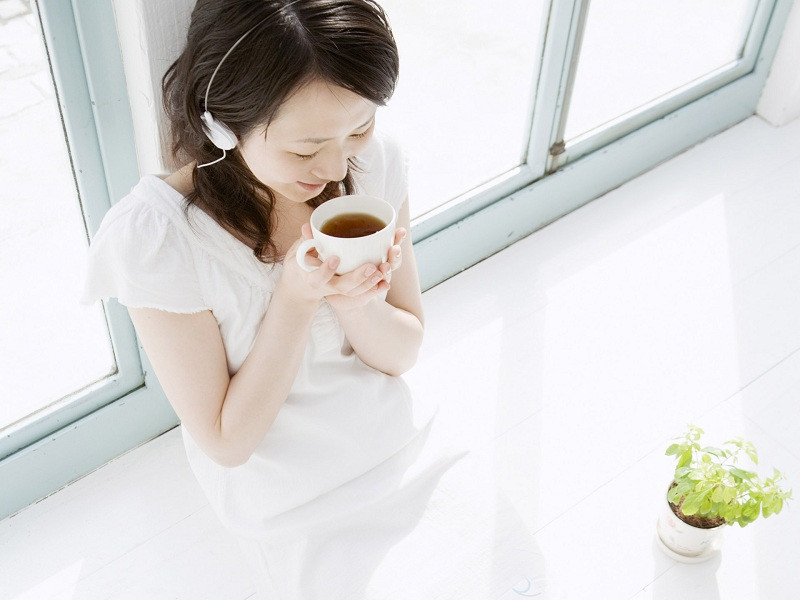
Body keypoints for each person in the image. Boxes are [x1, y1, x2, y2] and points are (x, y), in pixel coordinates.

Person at [84, 1, 540, 597]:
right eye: (305, 150)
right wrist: (296, 301)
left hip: (399, 443)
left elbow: (401, 355)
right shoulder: (159, 240)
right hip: (287, 499)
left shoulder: (372, 165)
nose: (335, 166)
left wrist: (355, 301)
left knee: (512, 572)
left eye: (359, 127)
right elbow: (227, 441)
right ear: (222, 123)